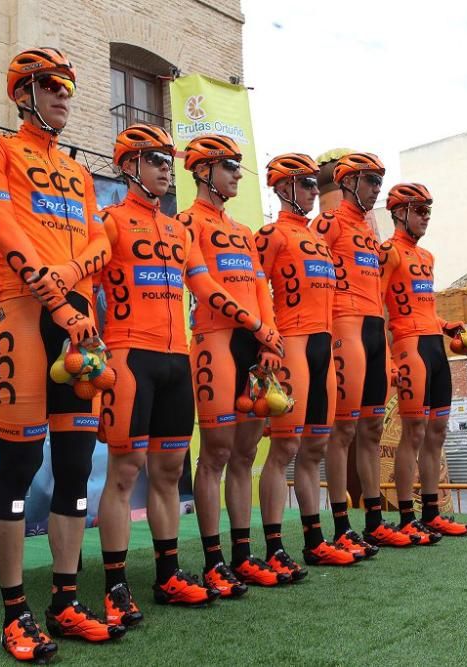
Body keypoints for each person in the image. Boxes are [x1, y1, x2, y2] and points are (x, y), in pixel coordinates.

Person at [96, 125, 284, 625]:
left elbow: (201, 282)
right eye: (154, 159)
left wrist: (258, 328)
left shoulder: (177, 230)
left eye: (166, 160)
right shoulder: (111, 220)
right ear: (129, 165)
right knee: (124, 473)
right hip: (130, 354)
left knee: (165, 473)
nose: (164, 168)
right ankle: (115, 586)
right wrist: (84, 336)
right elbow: (85, 280)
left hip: (177, 358)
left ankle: (168, 575)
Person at [0, 47, 120, 662]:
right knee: (19, 466)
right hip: (27, 318)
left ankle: (63, 598)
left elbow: (102, 243)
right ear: (23, 92)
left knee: (78, 465)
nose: (65, 95)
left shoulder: (80, 172)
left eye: (68, 86)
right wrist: (57, 297)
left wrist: (68, 281)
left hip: (78, 322)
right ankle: (14, 612)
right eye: (52, 85)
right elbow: (3, 231)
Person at [176, 134, 291, 593]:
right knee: (217, 454)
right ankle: (212, 560)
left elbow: (261, 287)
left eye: (239, 168)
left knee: (246, 454)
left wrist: (269, 336)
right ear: (204, 172)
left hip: (255, 344)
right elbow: (202, 286)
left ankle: (243, 556)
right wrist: (253, 325)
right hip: (215, 341)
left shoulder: (244, 231)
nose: (238, 175)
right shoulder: (187, 222)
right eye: (229, 167)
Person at [255, 154, 356, 569]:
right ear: (282, 188)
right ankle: (274, 546)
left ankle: (315, 540)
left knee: (315, 446)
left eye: (316, 184)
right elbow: (254, 290)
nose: (315, 191)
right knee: (285, 448)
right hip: (291, 345)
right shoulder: (271, 234)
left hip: (323, 347)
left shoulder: (316, 238)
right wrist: (263, 346)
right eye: (307, 184)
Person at [310, 152, 404, 553]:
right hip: (344, 326)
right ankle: (340, 523)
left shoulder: (368, 232)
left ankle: (373, 520)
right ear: (348, 183)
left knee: (370, 429)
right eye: (369, 182)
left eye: (379, 183)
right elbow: (308, 271)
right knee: (342, 430)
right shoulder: (327, 223)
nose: (376, 190)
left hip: (373, 330)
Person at [383, 183, 467, 542]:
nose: (426, 218)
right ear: (400, 212)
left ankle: (433, 512)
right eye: (419, 211)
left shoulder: (427, 258)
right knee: (414, 432)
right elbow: (379, 305)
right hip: (408, 347)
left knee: (436, 434)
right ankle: (407, 517)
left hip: (434, 347)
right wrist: (388, 357)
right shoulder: (388, 252)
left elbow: (426, 310)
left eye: (428, 212)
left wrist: (448, 325)